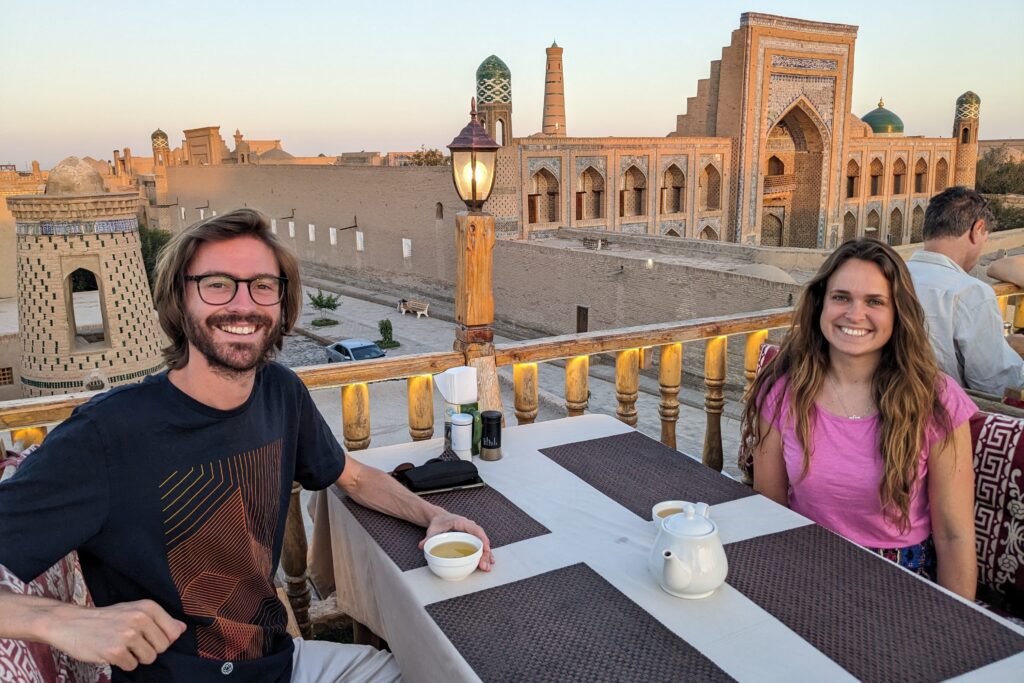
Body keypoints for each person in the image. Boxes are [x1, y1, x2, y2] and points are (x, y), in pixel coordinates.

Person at [0, 208, 494, 682]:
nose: (243, 304)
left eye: (262, 286)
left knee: (430, 668)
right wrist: (57, 621)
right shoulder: (106, 435)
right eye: (217, 284)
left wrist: (432, 516)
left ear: (282, 304)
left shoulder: (280, 392)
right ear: (180, 299)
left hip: (280, 663)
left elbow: (355, 476)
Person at [743, 238, 977, 600]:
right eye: (841, 297)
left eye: (874, 302)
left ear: (898, 312)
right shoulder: (783, 391)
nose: (855, 314)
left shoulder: (935, 401)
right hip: (805, 567)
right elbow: (770, 510)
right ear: (821, 304)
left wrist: (956, 634)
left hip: (899, 583)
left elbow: (954, 535)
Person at [907, 186, 1024, 395]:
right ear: (977, 229)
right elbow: (996, 384)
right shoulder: (969, 292)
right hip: (943, 418)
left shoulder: (889, 277)